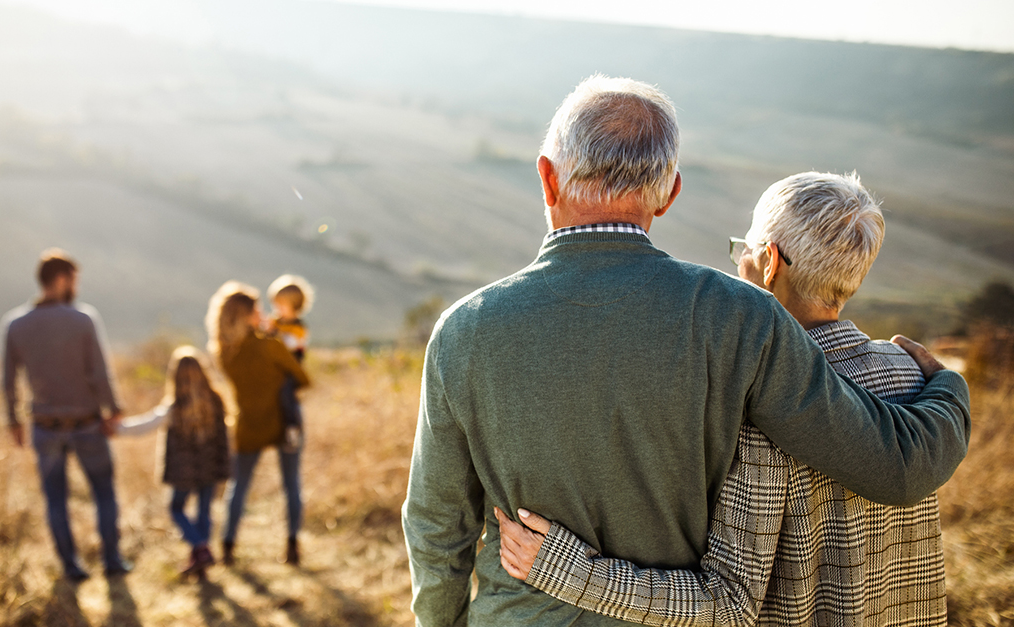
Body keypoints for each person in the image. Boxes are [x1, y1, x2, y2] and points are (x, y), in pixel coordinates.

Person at [400, 75, 970, 626]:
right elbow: (890, 465)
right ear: (669, 194)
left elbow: (436, 527)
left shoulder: (463, 330)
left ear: (547, 180)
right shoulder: (742, 317)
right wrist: (946, 387)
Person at [498, 171, 949, 625]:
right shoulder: (911, 373)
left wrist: (568, 571)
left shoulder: (759, 405)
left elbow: (729, 604)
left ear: (770, 263)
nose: (738, 265)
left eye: (744, 251)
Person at [0, 248, 131, 581]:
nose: (77, 287)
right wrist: (113, 409)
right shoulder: (82, 319)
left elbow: (7, 378)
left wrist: (13, 421)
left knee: (55, 499)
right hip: (86, 423)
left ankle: (71, 566)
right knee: (104, 492)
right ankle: (112, 560)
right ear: (61, 279)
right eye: (74, 280)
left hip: (44, 426)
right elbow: (99, 373)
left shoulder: (15, 324)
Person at [206, 281, 311, 567]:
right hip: (284, 420)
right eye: (257, 309)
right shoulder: (270, 346)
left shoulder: (224, 353)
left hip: (248, 423)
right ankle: (292, 545)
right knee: (291, 484)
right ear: (248, 315)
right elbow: (302, 377)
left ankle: (227, 546)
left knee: (238, 486)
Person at [118, 346, 230, 578]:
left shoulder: (175, 406)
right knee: (204, 512)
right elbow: (225, 438)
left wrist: (116, 428)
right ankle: (200, 557)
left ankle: (200, 548)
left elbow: (146, 425)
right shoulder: (216, 400)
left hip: (184, 471)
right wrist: (225, 465)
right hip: (209, 468)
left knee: (176, 508)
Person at [265, 274, 315, 452]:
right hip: (276, 369)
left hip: (291, 370)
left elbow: (291, 345)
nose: (277, 309)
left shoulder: (299, 327)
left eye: (281, 305)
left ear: (294, 306)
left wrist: (274, 333)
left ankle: (292, 429)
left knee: (286, 394)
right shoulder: (276, 322)